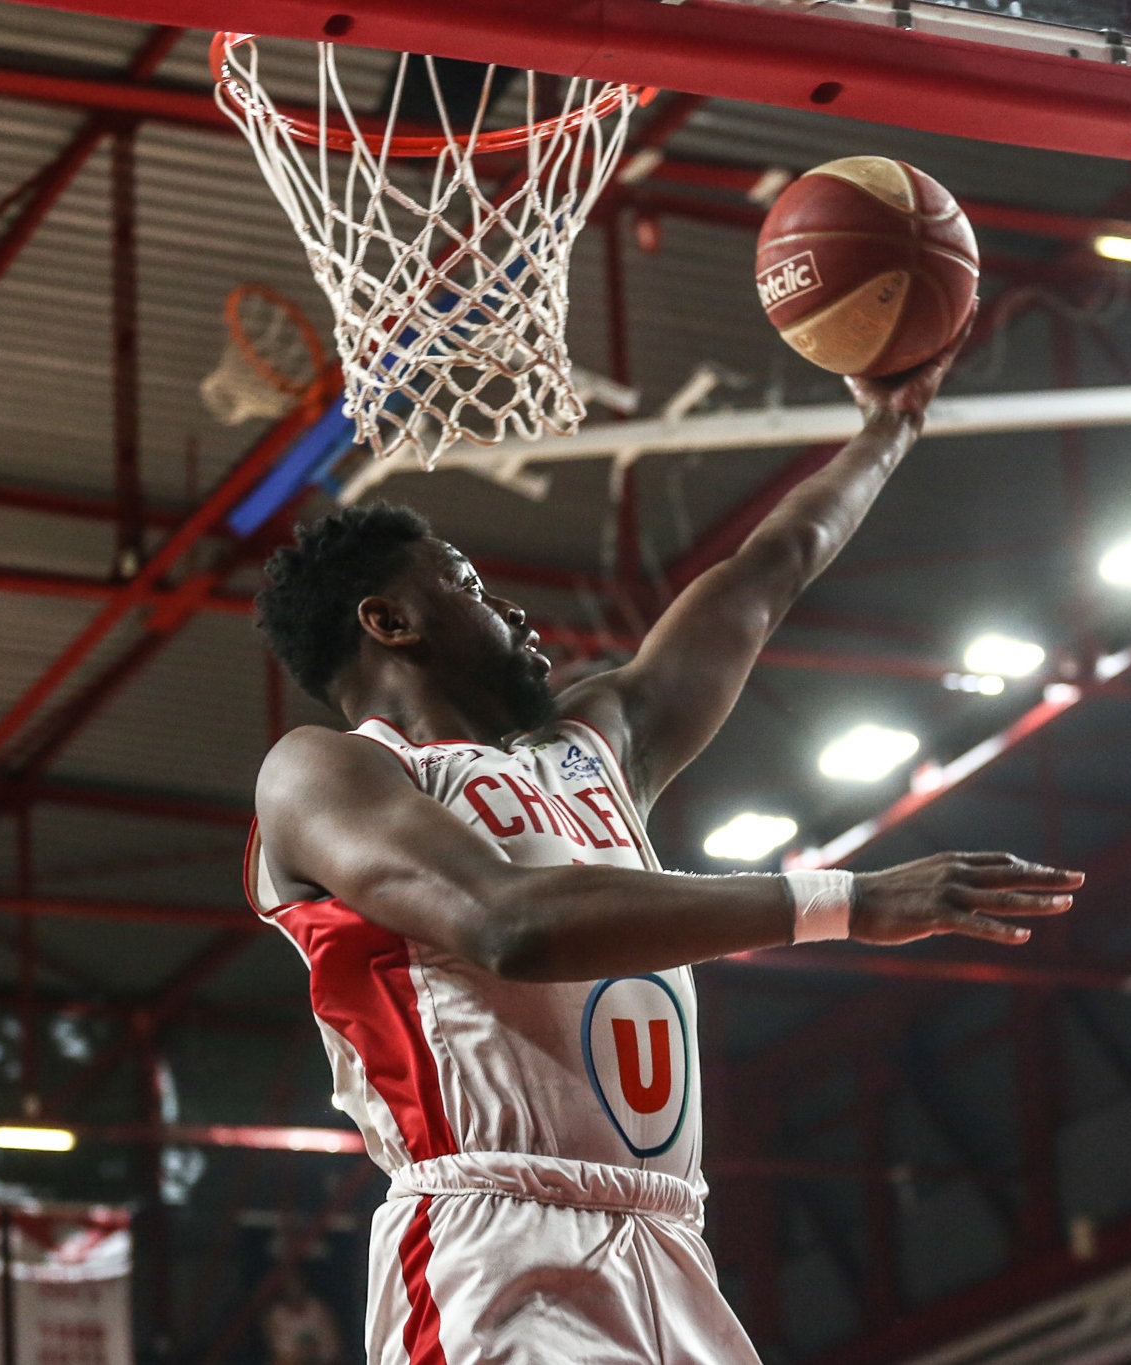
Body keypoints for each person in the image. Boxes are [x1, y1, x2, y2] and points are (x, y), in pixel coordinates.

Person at [247, 331, 1084, 1365]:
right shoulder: (324, 772)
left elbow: (765, 573)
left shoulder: (597, 743)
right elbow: (503, 925)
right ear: (388, 621)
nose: (509, 608)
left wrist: (886, 428)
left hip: (667, 1241)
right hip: (494, 1242)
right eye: (464, 584)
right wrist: (847, 901)